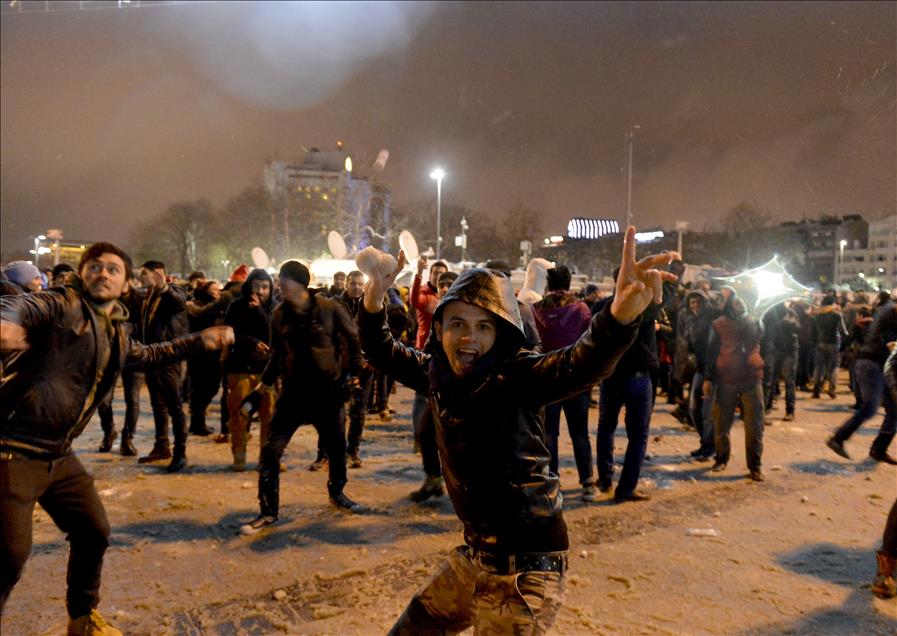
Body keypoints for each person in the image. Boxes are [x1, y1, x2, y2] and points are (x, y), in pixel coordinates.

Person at [359, 227, 675, 633]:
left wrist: (618, 318)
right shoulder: (437, 374)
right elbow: (381, 351)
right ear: (440, 331)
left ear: (503, 335)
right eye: (458, 323)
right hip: (476, 558)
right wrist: (373, 299)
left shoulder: (518, 375)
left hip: (526, 570)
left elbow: (580, 363)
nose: (469, 337)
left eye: (484, 327)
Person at [0, 242, 233, 636]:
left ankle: (82, 619)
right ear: (82, 273)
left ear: (126, 283)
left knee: (94, 530)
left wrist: (199, 340)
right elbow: (23, 305)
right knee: (8, 556)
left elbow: (148, 354)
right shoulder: (63, 302)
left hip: (59, 454)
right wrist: (6, 320)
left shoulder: (116, 330)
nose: (102, 274)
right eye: (94, 267)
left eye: (112, 269)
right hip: (13, 451)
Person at [238, 260, 365, 535]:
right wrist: (260, 389)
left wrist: (354, 375)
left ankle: (337, 493)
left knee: (337, 449)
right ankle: (268, 511)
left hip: (328, 394)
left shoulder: (330, 309)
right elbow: (276, 356)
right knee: (271, 451)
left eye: (284, 280)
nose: (279, 285)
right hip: (293, 395)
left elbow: (354, 340)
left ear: (298, 282)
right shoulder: (279, 315)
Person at [593, 265, 664, 502]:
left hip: (610, 377)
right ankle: (625, 488)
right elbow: (661, 297)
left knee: (606, 428)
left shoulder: (603, 307)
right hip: (637, 378)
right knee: (638, 436)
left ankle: (604, 479)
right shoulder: (645, 306)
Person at [533, 265, 596, 501]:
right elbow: (589, 342)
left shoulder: (536, 310)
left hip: (547, 379)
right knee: (580, 433)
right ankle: (588, 483)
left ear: (548, 285)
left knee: (549, 434)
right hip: (574, 379)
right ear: (569, 284)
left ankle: (553, 482)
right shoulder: (580, 309)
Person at [135, 260, 192, 472]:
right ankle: (161, 446)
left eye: (144, 273)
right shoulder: (147, 295)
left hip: (170, 357)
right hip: (152, 357)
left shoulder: (174, 291)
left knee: (174, 405)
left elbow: (178, 303)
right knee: (157, 405)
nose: (141, 277)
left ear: (158, 274)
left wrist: (164, 288)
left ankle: (180, 452)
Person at [703, 292, 767, 481]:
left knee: (754, 425)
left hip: (752, 378)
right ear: (730, 302)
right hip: (726, 379)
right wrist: (708, 378)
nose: (739, 302)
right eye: (736, 299)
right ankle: (721, 459)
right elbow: (711, 350)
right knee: (722, 422)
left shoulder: (756, 321)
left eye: (742, 298)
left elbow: (765, 339)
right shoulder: (719, 323)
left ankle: (755, 466)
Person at [826, 298, 897, 464]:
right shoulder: (889, 312)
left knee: (893, 410)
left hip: (878, 366)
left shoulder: (887, 313)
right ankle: (838, 439)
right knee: (870, 407)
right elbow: (891, 344)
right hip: (871, 364)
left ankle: (879, 450)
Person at [221, 268, 276, 470]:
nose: (260, 291)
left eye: (265, 287)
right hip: (240, 368)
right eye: (256, 286)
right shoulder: (236, 306)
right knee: (239, 414)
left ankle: (266, 458)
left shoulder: (273, 308)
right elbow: (230, 332)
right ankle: (239, 455)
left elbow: (274, 333)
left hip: (267, 371)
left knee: (268, 416)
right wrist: (251, 342)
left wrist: (260, 312)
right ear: (248, 286)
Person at [811, 295, 848, 399]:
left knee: (819, 367)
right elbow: (843, 331)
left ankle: (816, 391)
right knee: (834, 366)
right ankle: (832, 390)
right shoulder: (837, 315)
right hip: (834, 342)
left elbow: (814, 331)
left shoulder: (817, 315)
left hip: (820, 341)